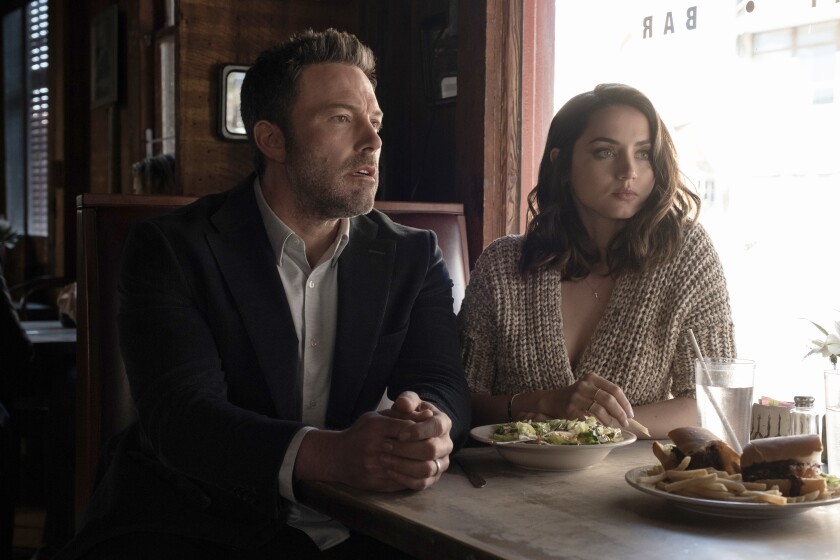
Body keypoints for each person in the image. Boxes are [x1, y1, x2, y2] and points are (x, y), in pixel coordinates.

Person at [56, 28, 470, 559]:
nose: (373, 140)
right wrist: (331, 455)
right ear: (272, 139)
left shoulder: (413, 256)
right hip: (194, 522)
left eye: (375, 120)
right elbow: (183, 416)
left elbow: (442, 381)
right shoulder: (172, 248)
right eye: (342, 118)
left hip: (365, 525)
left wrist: (426, 423)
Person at [458, 83, 735, 439]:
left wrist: (596, 429)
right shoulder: (504, 265)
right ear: (562, 163)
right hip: (504, 484)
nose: (628, 171)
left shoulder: (686, 256)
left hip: (628, 487)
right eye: (605, 152)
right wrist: (546, 402)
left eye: (644, 154)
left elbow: (715, 399)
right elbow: (462, 399)